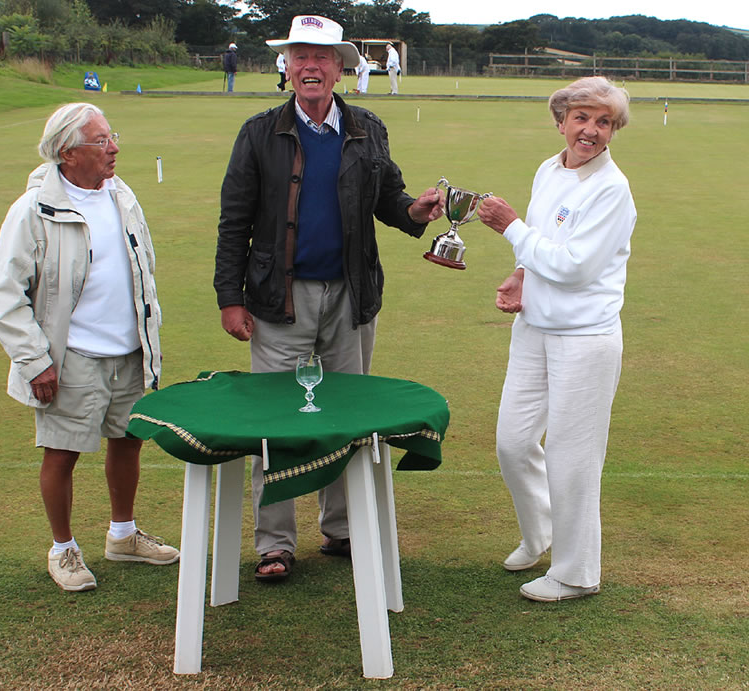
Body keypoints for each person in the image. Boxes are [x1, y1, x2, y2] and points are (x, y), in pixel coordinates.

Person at [214, 15, 444, 582]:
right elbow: (234, 221)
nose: (309, 66)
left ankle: (342, 530)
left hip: (351, 295)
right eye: (299, 57)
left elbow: (387, 198)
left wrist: (414, 211)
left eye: (321, 57)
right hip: (277, 297)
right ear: (286, 67)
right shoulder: (258, 133)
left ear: (341, 68)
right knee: (275, 418)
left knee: (346, 416)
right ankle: (275, 543)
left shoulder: (367, 127)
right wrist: (229, 296)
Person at [0, 103, 179, 592]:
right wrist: (35, 361)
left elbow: (143, 273)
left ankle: (123, 535)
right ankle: (63, 549)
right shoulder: (32, 210)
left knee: (128, 440)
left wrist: (149, 346)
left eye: (112, 136)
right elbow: (6, 295)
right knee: (62, 452)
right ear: (67, 152)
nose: (113, 147)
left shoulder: (122, 195)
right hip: (70, 357)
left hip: (129, 350)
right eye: (100, 141)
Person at [477, 76, 637, 602]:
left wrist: (510, 226)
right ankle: (540, 532)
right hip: (534, 329)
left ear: (613, 130)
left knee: (573, 457)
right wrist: (521, 273)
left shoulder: (612, 189)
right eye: (582, 118)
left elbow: (573, 266)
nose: (590, 130)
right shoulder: (549, 168)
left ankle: (575, 573)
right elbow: (547, 243)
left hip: (585, 338)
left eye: (603, 122)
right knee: (513, 442)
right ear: (561, 120)